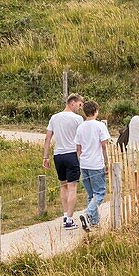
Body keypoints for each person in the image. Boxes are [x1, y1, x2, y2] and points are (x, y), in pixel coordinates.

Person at [44, 93, 85, 230]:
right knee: (72, 187)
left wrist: (45, 157)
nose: (80, 108)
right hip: (71, 154)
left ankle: (64, 214)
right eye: (79, 105)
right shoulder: (78, 119)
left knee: (63, 186)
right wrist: (80, 155)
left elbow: (48, 138)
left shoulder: (54, 117)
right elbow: (81, 139)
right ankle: (69, 219)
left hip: (58, 155)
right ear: (72, 102)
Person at [75, 100, 112, 232]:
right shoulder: (100, 126)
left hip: (84, 163)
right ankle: (88, 213)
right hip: (96, 164)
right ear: (96, 111)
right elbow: (104, 146)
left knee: (91, 194)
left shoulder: (81, 127)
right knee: (100, 192)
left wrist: (80, 162)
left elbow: (78, 148)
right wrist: (107, 163)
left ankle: (94, 223)